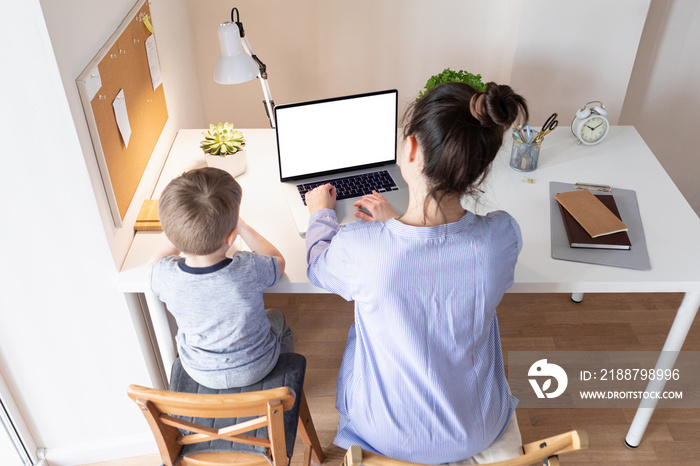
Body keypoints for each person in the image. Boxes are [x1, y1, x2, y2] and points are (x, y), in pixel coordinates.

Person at [305, 82, 528, 463]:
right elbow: (436, 255)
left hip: (385, 434)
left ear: (410, 148)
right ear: (479, 168)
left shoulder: (361, 246)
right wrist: (396, 225)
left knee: (361, 329)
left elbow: (317, 269)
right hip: (476, 428)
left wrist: (320, 214)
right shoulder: (500, 238)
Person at [150, 167, 293, 389]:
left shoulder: (166, 276)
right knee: (277, 317)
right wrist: (242, 226)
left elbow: (153, 265)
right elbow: (278, 261)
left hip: (199, 370)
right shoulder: (248, 268)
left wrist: (177, 236)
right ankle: (280, 383)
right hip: (256, 367)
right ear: (230, 236)